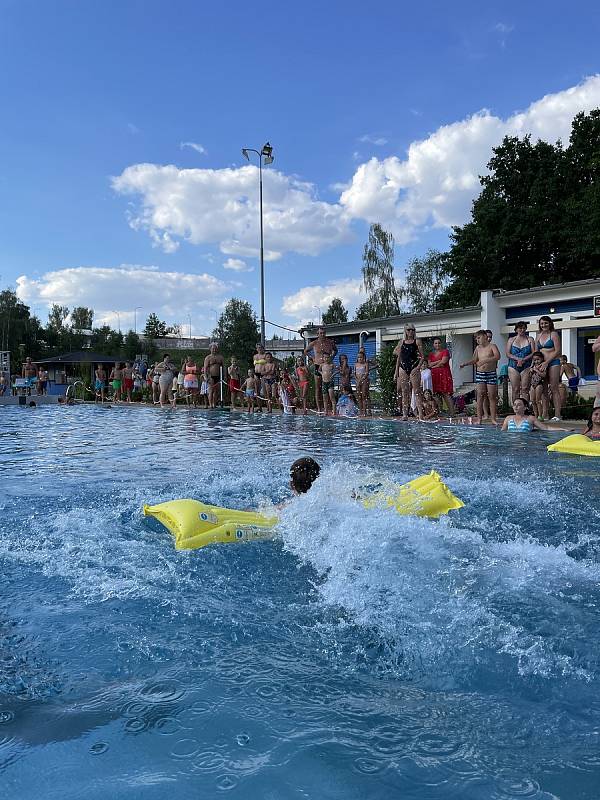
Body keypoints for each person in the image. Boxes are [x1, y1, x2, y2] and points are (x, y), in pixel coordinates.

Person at [459, 330, 501, 424]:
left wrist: (485, 360)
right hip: (480, 374)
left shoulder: (492, 346)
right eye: (476, 338)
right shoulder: (478, 348)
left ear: (485, 336)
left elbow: (498, 356)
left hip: (491, 373)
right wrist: (465, 364)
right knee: (480, 395)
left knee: (492, 396)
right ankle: (479, 419)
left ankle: (493, 419)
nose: (477, 340)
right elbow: (474, 359)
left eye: (478, 337)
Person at [303, 327, 338, 413]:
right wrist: (312, 358)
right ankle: (319, 408)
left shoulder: (330, 343)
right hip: (318, 366)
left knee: (329, 387)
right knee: (318, 388)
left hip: (327, 367)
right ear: (317, 334)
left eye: (324, 333)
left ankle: (328, 408)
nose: (322, 334)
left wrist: (332, 357)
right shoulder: (314, 343)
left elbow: (335, 350)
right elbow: (305, 351)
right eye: (320, 333)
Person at [394, 324, 425, 420]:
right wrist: (396, 372)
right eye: (408, 330)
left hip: (413, 367)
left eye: (412, 330)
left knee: (417, 391)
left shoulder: (417, 341)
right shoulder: (401, 342)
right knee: (404, 391)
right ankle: (405, 414)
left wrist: (418, 367)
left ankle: (420, 414)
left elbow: (423, 356)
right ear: (405, 331)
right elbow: (399, 358)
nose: (410, 332)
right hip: (403, 368)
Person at [535, 316, 562, 421]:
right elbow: (536, 353)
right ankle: (545, 414)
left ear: (550, 323)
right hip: (542, 364)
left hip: (553, 362)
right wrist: (536, 364)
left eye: (546, 323)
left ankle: (557, 414)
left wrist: (547, 362)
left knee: (554, 388)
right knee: (544, 390)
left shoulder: (554, 334)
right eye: (542, 323)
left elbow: (557, 351)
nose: (544, 325)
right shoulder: (538, 336)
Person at [505, 322, 535, 402]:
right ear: (516, 329)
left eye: (523, 328)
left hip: (526, 365)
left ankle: (526, 409)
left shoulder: (530, 339)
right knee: (515, 389)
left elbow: (534, 352)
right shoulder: (511, 340)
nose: (522, 330)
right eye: (520, 328)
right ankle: (515, 410)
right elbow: (508, 353)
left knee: (525, 389)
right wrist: (517, 359)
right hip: (513, 366)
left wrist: (524, 359)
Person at [501, 397, 567, 433]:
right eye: (514, 405)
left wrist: (563, 429)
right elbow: (502, 432)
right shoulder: (508, 418)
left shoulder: (531, 418)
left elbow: (546, 428)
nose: (516, 407)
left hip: (525, 444)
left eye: (519, 405)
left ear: (525, 408)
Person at [428, 337, 455, 416]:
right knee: (437, 394)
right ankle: (440, 412)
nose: (437, 344)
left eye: (439, 343)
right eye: (436, 343)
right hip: (435, 376)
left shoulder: (445, 351)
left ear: (441, 343)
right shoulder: (431, 354)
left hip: (444, 375)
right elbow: (429, 364)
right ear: (433, 344)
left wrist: (433, 365)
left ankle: (452, 413)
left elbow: (443, 362)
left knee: (446, 394)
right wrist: (438, 361)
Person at [203, 343, 224, 409]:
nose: (214, 350)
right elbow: (205, 368)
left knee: (216, 391)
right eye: (213, 349)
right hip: (211, 376)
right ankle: (210, 405)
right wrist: (206, 377)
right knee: (211, 391)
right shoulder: (208, 358)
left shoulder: (220, 357)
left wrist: (225, 376)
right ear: (210, 349)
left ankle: (214, 404)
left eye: (215, 349)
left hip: (218, 376)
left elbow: (224, 367)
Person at [354, 349, 371, 417]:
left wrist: (362, 379)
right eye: (358, 357)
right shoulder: (356, 364)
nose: (360, 359)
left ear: (364, 358)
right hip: (358, 381)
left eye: (361, 357)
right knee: (359, 396)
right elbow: (354, 373)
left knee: (364, 396)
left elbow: (367, 372)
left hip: (364, 381)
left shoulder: (365, 364)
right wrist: (357, 380)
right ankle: (360, 410)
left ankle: (364, 411)